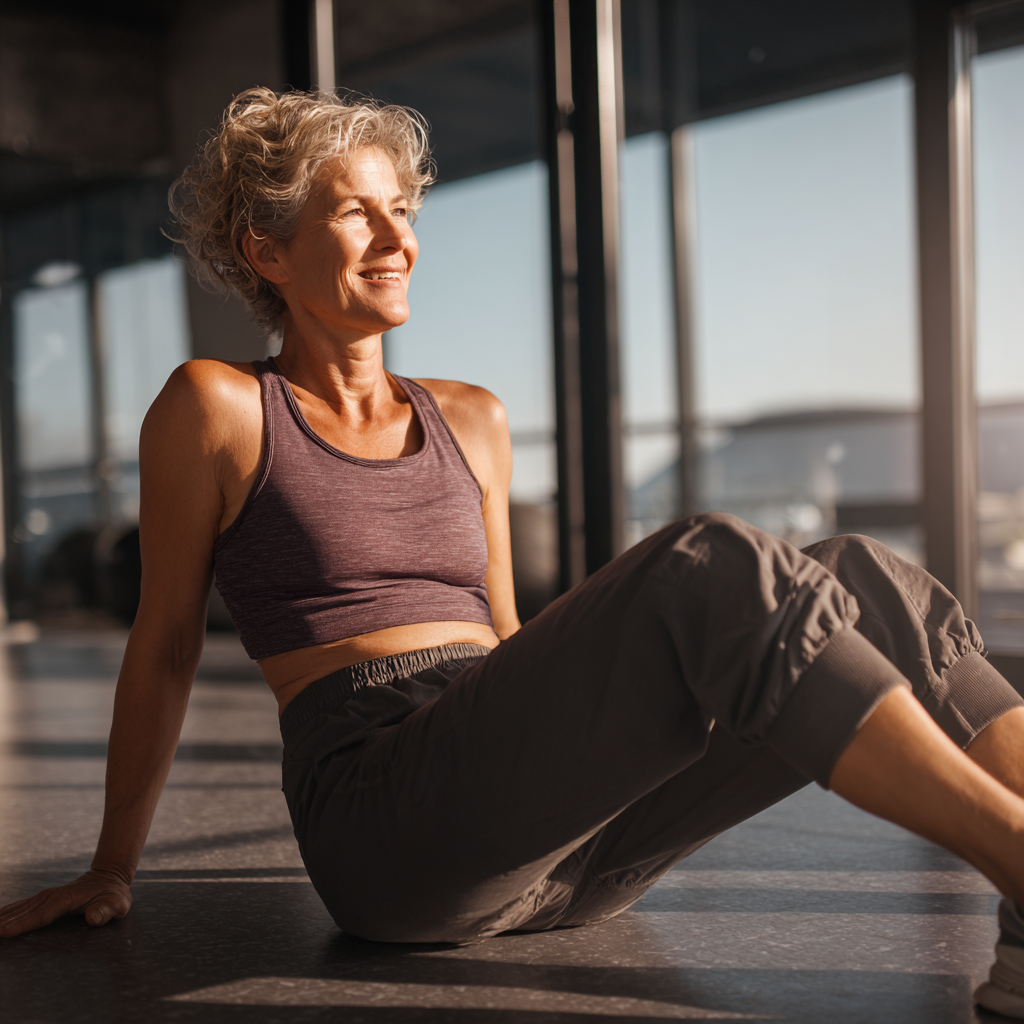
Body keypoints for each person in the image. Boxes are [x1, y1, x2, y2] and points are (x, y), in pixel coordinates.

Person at [2, 88, 1024, 1017]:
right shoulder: (218, 406)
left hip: (560, 850)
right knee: (706, 561)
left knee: (865, 575)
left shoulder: (472, 417)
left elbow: (502, 637)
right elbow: (167, 645)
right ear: (267, 252)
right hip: (388, 829)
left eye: (402, 209)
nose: (396, 237)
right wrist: (112, 866)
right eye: (356, 212)